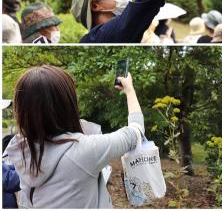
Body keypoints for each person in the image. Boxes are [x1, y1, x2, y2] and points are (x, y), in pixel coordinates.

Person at [4, 66, 144, 208]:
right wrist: (129, 90)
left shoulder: (20, 150)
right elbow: (137, 132)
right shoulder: (85, 150)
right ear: (67, 104)